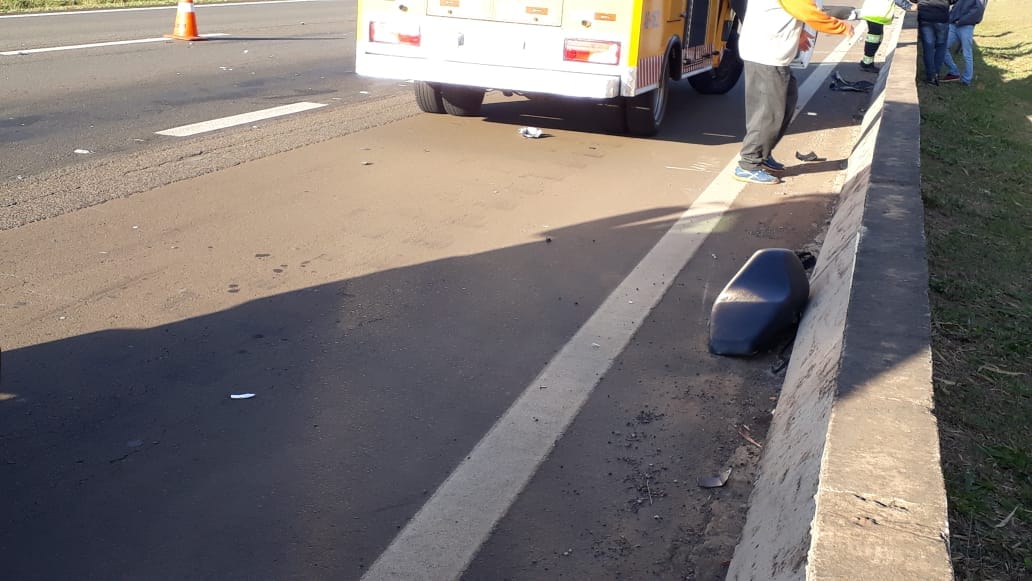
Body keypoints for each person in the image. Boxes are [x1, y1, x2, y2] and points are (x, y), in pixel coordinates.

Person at [733, 0, 854, 185]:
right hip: (766, 56)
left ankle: (762, 155)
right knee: (768, 114)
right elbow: (809, 13)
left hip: (768, 53)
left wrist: (799, 32)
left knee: (786, 103)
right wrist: (841, 27)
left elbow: (791, 11)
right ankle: (749, 164)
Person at [941, 0, 988, 85]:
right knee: (942, 47)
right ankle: (954, 72)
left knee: (967, 53)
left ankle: (967, 79)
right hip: (953, 24)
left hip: (966, 26)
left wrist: (962, 21)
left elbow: (978, 11)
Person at [917, 0, 956, 85]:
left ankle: (931, 76)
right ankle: (936, 73)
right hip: (941, 16)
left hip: (925, 16)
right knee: (941, 46)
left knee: (928, 48)